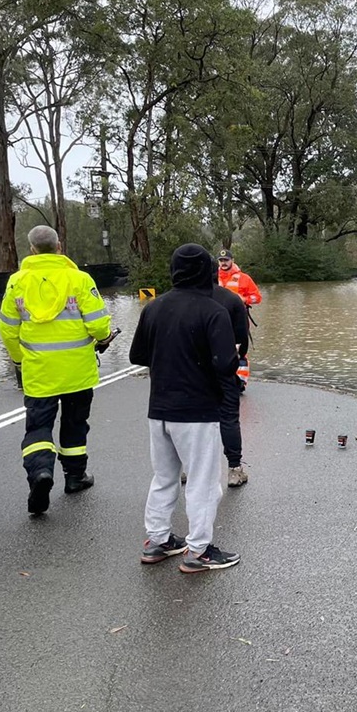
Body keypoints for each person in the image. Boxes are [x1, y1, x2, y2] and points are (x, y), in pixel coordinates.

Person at [130, 244, 241, 573]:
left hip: (159, 409)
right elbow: (225, 364)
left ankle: (158, 541)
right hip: (197, 411)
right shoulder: (213, 311)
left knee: (163, 478)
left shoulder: (153, 308)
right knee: (203, 484)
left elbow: (137, 356)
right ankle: (200, 551)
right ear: (207, 271)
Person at [0, 225, 115, 515]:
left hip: (39, 373)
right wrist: (102, 339)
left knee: (38, 427)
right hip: (77, 371)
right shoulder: (79, 278)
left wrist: (19, 361)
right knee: (75, 423)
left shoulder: (17, 282)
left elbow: (7, 330)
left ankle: (40, 473)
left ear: (32, 249)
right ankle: (75, 478)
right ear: (59, 246)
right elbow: (99, 323)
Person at [211, 283, 249, 488]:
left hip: (187, 373)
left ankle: (185, 468)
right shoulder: (231, 300)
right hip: (222, 369)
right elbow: (242, 341)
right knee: (228, 418)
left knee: (190, 420)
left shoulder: (165, 303)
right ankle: (234, 469)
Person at [216, 249, 261, 389]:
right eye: (221, 261)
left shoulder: (244, 278)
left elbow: (257, 298)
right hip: (217, 319)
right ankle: (219, 380)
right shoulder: (212, 277)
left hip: (238, 320)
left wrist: (245, 299)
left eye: (226, 260)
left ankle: (241, 380)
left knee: (241, 350)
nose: (223, 263)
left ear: (232, 261)